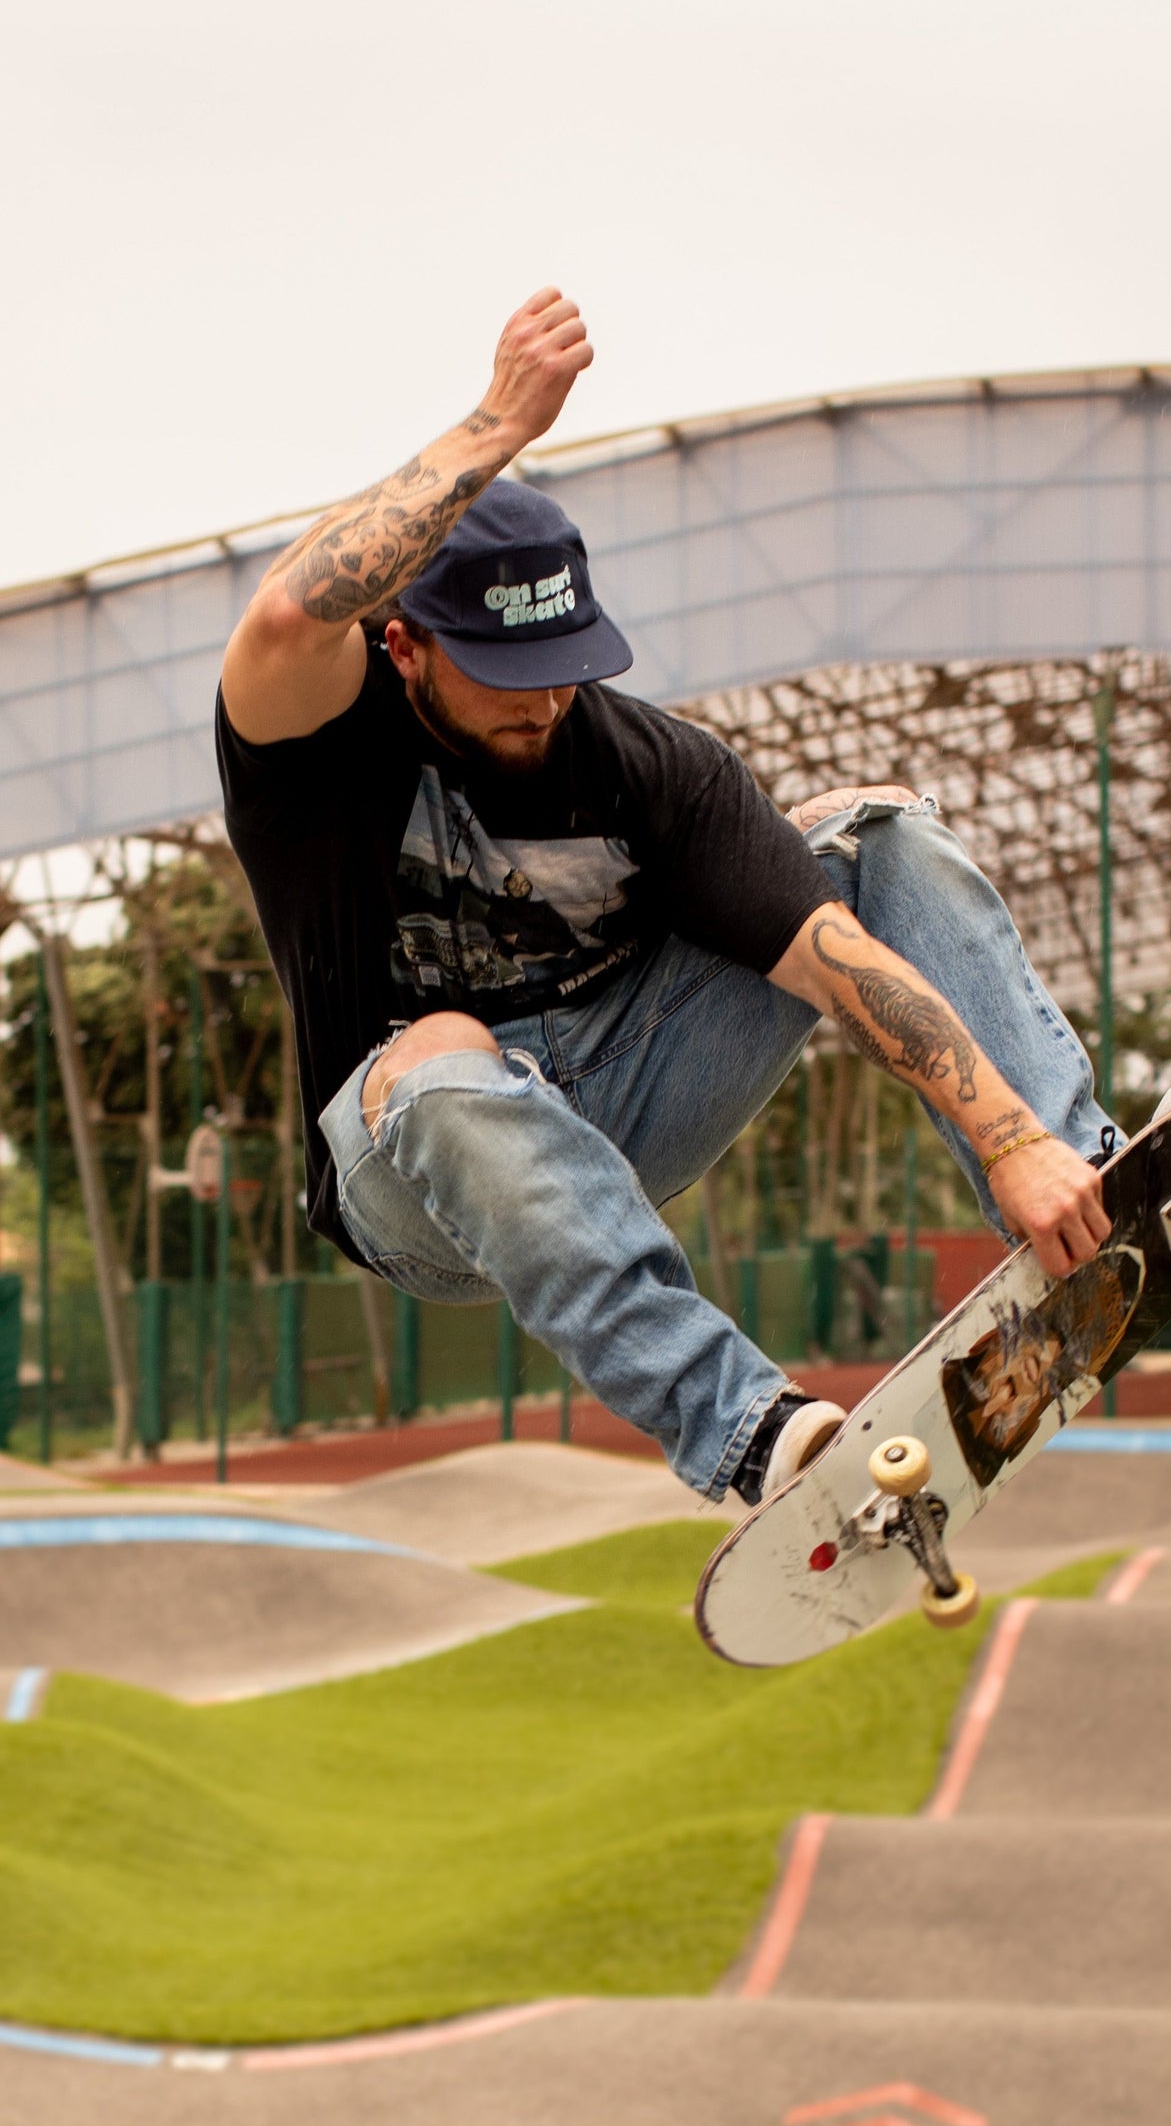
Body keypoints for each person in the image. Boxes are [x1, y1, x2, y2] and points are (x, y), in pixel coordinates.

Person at [217, 287, 1117, 1508]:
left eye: (562, 670)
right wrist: (495, 421)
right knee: (441, 1051)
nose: (541, 704)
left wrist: (1011, 1138)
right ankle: (754, 1431)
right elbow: (286, 608)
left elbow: (830, 956)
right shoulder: (314, 746)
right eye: (502, 676)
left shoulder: (652, 766)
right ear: (404, 646)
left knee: (868, 835)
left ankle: (1090, 1192)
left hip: (624, 1093)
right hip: (413, 1171)